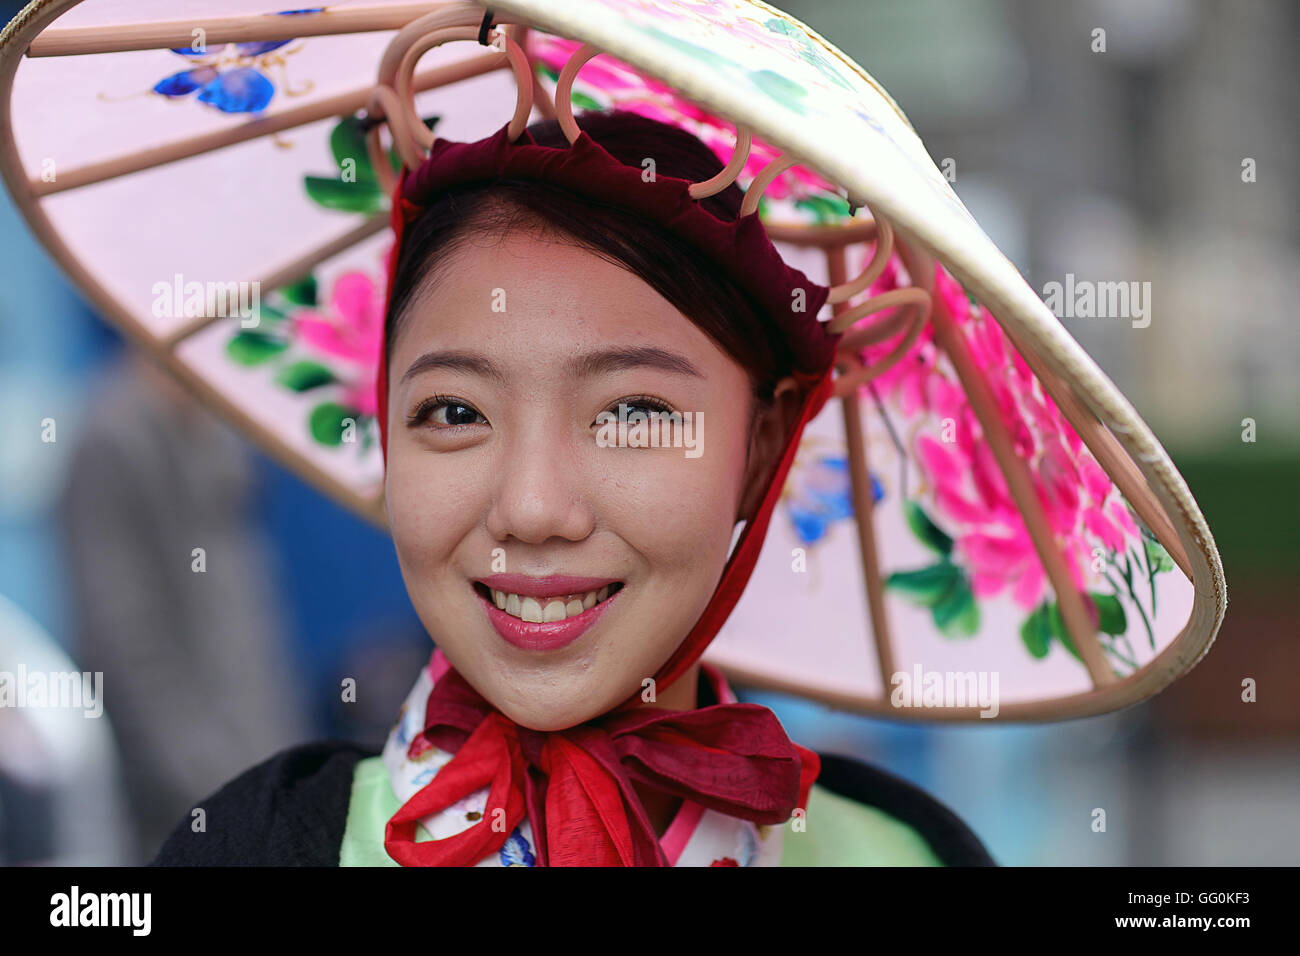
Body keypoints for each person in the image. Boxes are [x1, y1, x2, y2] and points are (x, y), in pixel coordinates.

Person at [151, 109, 994, 867]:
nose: (532, 509)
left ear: (760, 448)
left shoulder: (906, 854)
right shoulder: (252, 849)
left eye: (632, 411)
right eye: (453, 410)